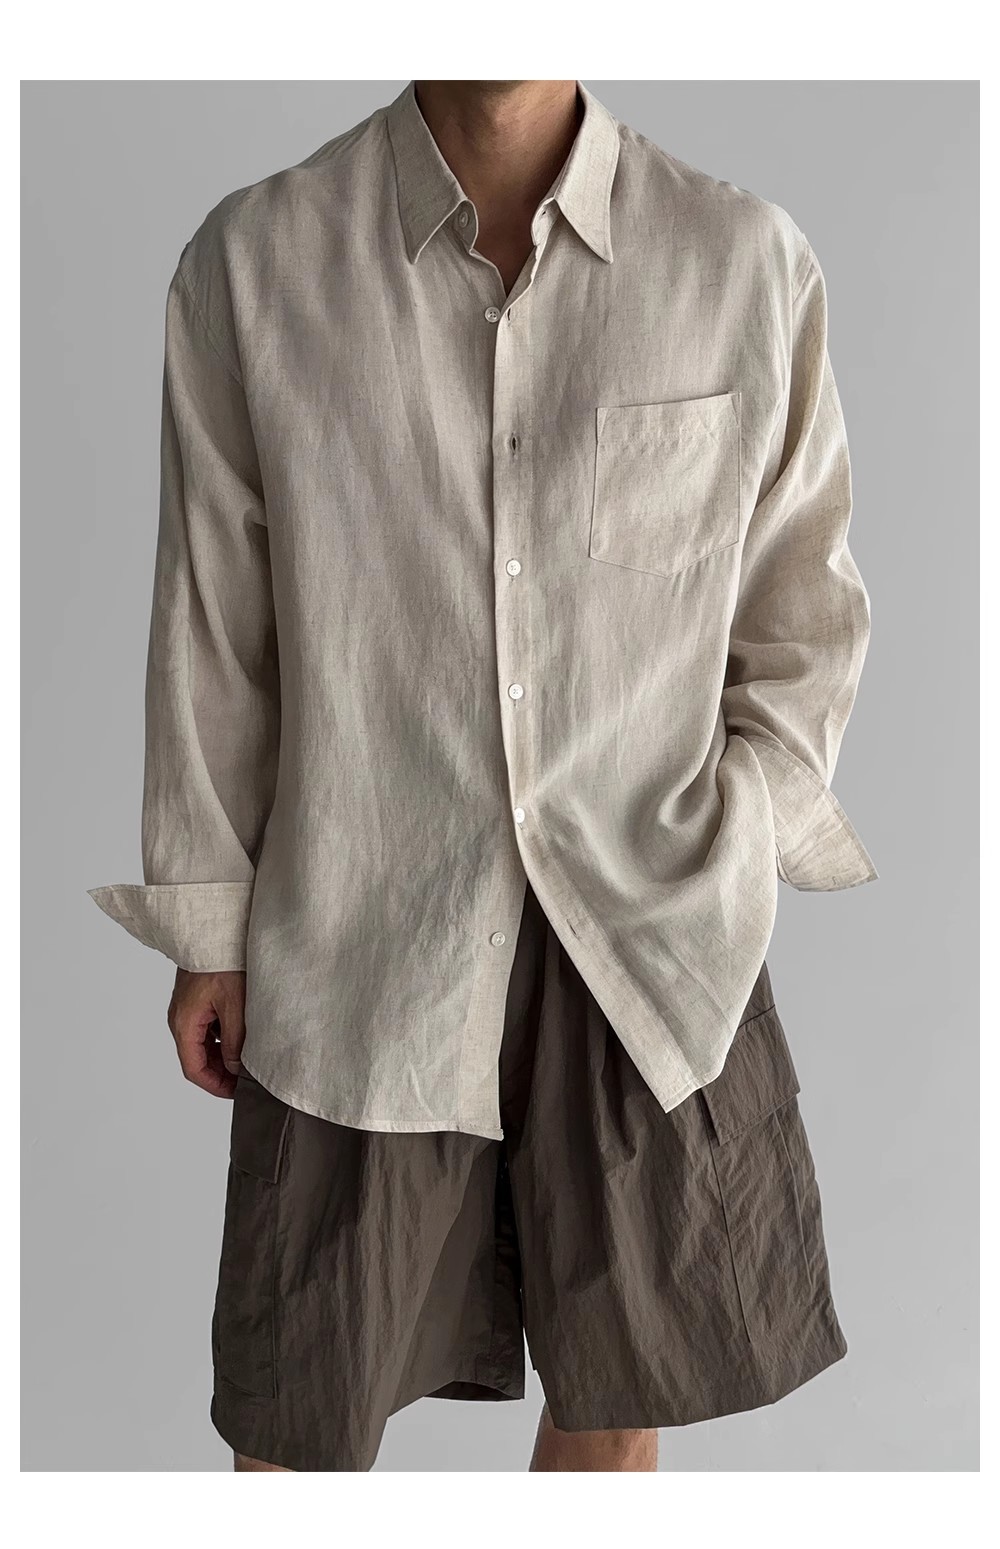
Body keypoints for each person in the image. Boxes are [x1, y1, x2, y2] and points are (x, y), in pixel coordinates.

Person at [89, 79, 878, 1473]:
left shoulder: (740, 260)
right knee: (295, 1433)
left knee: (613, 1415)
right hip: (361, 928)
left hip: (643, 940)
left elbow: (802, 610)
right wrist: (211, 921)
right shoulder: (258, 262)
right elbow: (214, 629)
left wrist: (740, 835)